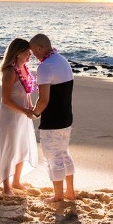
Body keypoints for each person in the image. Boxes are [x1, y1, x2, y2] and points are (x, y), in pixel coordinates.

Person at [27, 33, 75, 203]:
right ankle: (70, 192)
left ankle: (58, 195)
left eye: (33, 52)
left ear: (40, 48)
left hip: (53, 120)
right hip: (66, 117)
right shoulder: (62, 60)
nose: (33, 55)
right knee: (64, 154)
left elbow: (43, 99)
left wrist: (34, 113)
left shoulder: (45, 67)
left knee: (53, 157)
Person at [0, 38, 39, 196]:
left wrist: (30, 107)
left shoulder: (25, 69)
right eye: (27, 52)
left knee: (22, 147)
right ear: (17, 53)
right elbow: (6, 100)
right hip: (10, 117)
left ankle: (17, 180)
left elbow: (27, 92)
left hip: (23, 115)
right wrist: (24, 110)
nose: (30, 55)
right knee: (9, 149)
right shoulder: (10, 72)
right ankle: (6, 186)